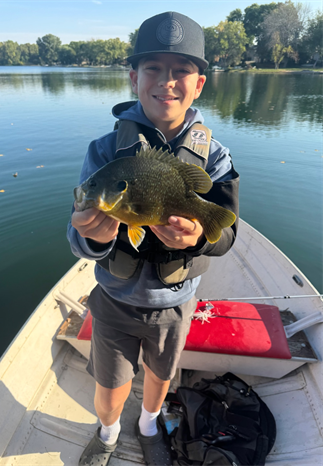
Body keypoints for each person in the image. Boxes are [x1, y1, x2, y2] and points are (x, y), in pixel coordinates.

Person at [67, 11, 239, 466]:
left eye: (181, 70)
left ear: (199, 83)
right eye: (153, 69)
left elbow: (227, 232)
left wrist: (199, 235)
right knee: (110, 385)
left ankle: (148, 425)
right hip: (115, 300)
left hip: (176, 300)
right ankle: (107, 432)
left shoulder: (215, 157)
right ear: (134, 78)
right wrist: (93, 237)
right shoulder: (105, 153)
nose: (167, 81)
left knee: (161, 376)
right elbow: (78, 237)